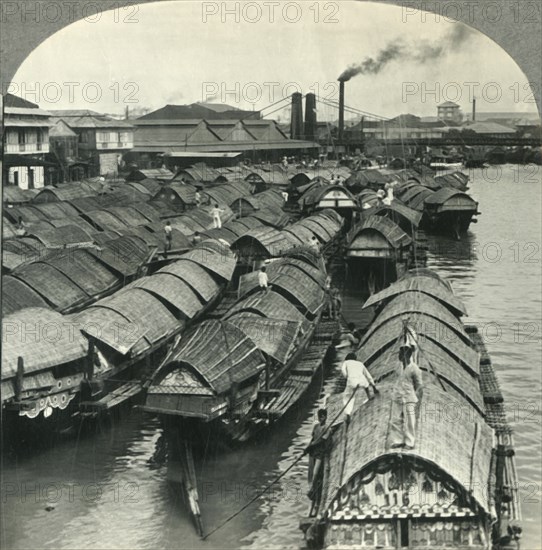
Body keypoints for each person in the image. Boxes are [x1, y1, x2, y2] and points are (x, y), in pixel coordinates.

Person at [389, 345, 423, 450]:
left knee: (409, 420)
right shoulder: (397, 367)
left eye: (401, 354)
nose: (399, 356)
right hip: (398, 395)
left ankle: (410, 442)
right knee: (395, 419)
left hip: (409, 397)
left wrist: (417, 396)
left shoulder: (414, 368)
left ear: (407, 355)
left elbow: (419, 384)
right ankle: (397, 440)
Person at [305, 408, 330, 511]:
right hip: (314, 453)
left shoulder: (328, 428)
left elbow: (321, 441)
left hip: (320, 453)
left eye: (323, 417)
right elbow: (313, 439)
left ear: (325, 417)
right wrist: (307, 447)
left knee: (316, 473)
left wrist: (312, 446)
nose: (321, 419)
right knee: (312, 474)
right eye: (320, 417)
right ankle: (313, 491)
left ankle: (312, 491)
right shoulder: (316, 426)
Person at [341, 352, 378, 418]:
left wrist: (346, 376)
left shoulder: (346, 362)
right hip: (361, 381)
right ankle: (369, 396)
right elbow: (368, 375)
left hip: (351, 381)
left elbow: (343, 370)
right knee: (366, 386)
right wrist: (374, 387)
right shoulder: (360, 364)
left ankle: (348, 413)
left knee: (347, 396)